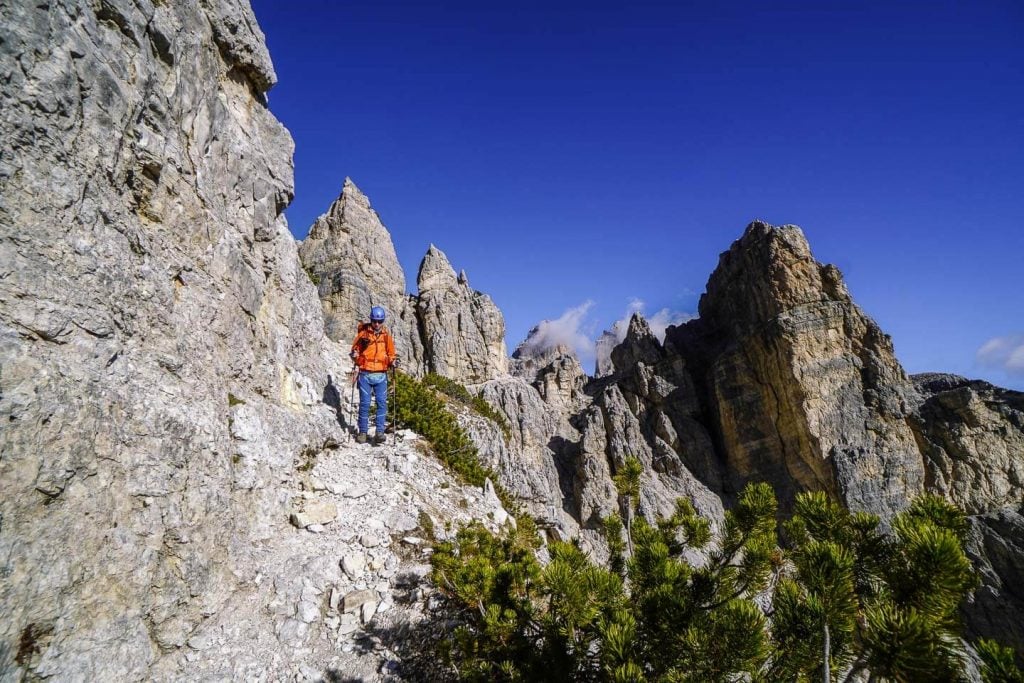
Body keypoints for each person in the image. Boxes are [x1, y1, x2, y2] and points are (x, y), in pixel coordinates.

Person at [349, 306, 399, 444]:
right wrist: (354, 356)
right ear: (371, 320)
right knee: (365, 404)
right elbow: (354, 351)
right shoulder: (363, 335)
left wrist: (393, 361)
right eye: (374, 321)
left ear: (383, 321)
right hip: (365, 373)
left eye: (379, 321)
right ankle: (363, 433)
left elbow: (391, 354)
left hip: (381, 374)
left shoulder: (386, 336)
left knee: (382, 403)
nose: (377, 324)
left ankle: (379, 433)